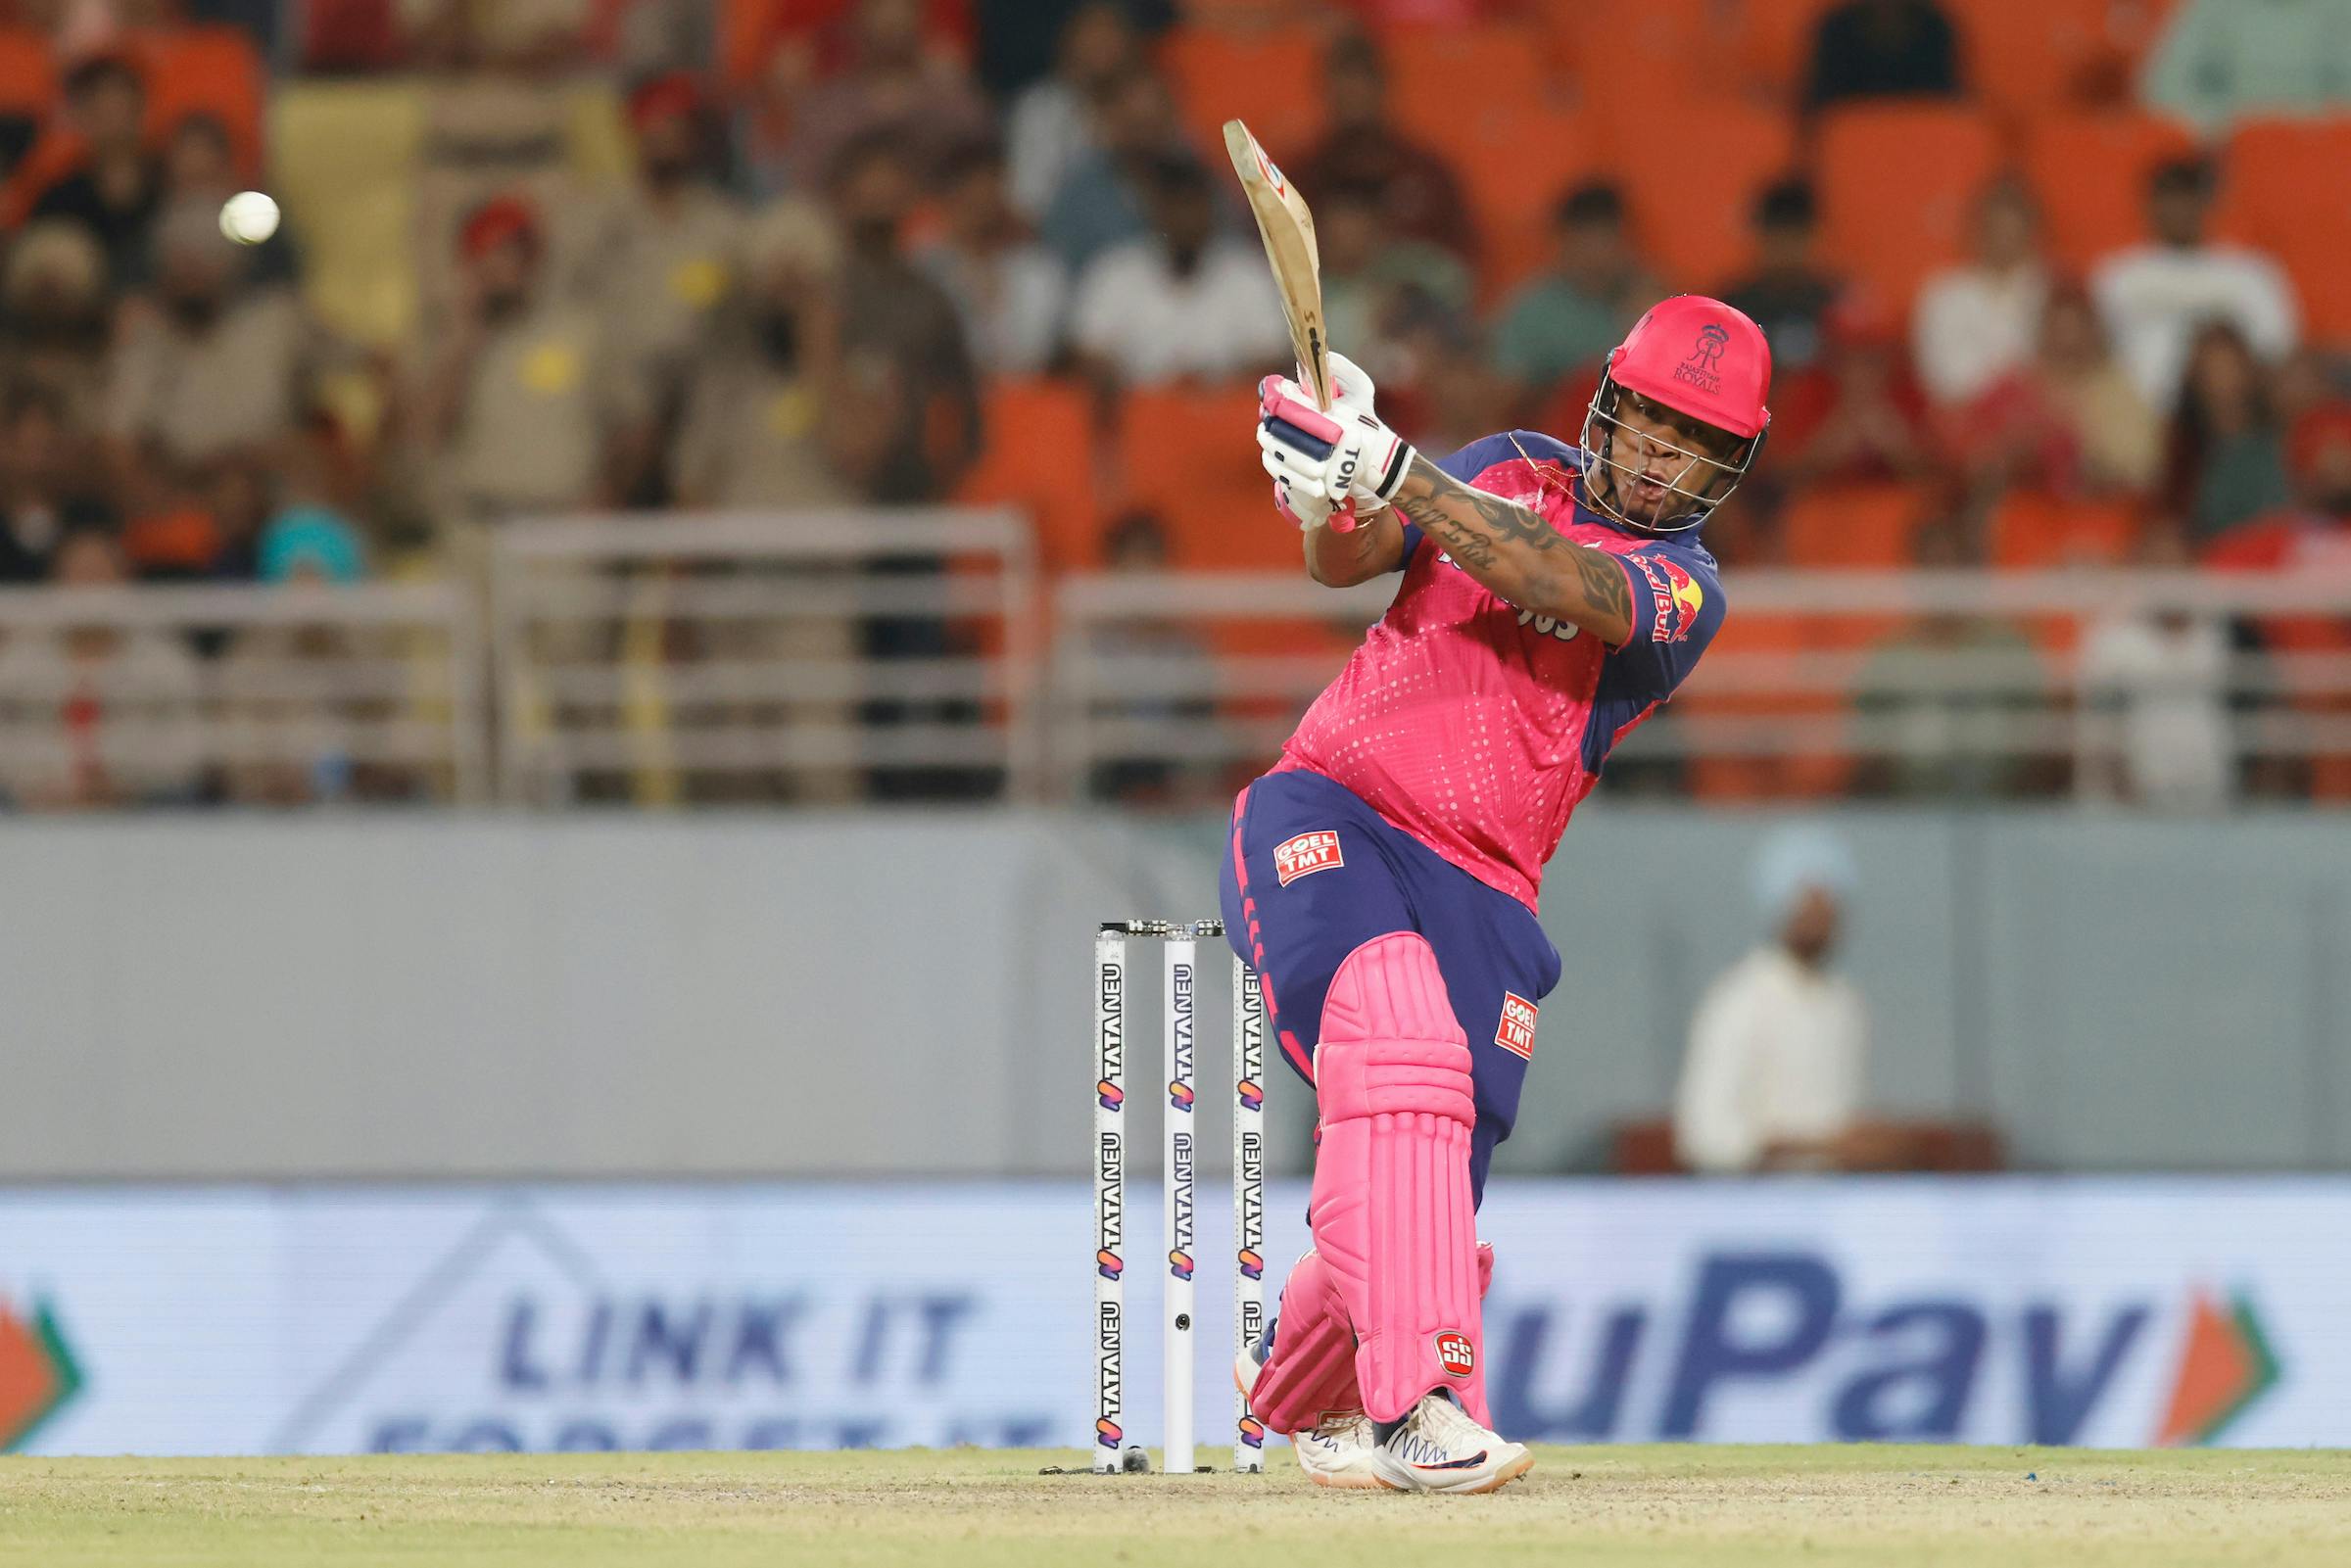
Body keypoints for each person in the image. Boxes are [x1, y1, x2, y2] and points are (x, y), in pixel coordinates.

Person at [1232, 297, 1772, 1490]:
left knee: (1422, 1178)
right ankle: (1422, 1404)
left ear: (1727, 469)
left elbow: (1554, 577)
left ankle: (1302, 1383)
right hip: (1336, 807)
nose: (1660, 456)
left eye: (1695, 444)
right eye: (1650, 421)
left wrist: (1393, 467)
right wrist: (1330, 492)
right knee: (1405, 1050)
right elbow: (1349, 561)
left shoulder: (1684, 588)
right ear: (1609, 403)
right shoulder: (1511, 464)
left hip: (1486, 889)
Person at [1675, 827, 1871, 1173]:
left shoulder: (1844, 1003)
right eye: (1811, 903)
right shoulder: (1740, 998)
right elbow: (1706, 1135)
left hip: (1833, 1197)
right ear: (1781, 906)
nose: (1822, 918)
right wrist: (1815, 1146)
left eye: (1831, 905)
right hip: (1753, 1200)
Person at [0, 525, 204, 810]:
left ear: (124, 582)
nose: (89, 589)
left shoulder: (165, 660)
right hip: (33, 806)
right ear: (55, 584)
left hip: (140, 807)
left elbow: (189, 747)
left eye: (100, 574)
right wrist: (42, 784)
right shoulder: (18, 659)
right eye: (78, 575)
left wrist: (125, 784)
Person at [2091, 158, 2299, 413]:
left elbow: (2277, 353)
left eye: (2187, 198)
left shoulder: (2250, 273)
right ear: (2149, 205)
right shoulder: (2117, 276)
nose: (2178, 210)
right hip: (2140, 414)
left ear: (2207, 202)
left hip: (2229, 416)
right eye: (2168, 199)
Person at [1068, 154, 1287, 390]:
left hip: (1222, 408)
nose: (1185, 221)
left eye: (1193, 208)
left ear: (1210, 211)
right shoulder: (1115, 272)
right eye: (1176, 209)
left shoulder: (1249, 274)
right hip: (1140, 404)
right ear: (1156, 212)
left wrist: (1207, 388)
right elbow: (1087, 353)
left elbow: (1272, 360)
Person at [2076, 527, 2235, 813]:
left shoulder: (2219, 632)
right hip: (2131, 808)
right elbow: (2100, 724)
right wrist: (2124, 792)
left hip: (2210, 800)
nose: (2168, 577)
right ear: (2139, 571)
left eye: (2176, 564)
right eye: (2158, 565)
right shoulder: (2111, 638)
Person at [1294, 32, 1476, 261]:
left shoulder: (1427, 173)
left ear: (1382, 88)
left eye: (1362, 85)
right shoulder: (1303, 175)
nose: (1354, 98)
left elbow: (1462, 256)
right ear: (1327, 93)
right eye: (1345, 89)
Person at [1488, 182, 1662, 406]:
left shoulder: (1650, 301)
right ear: (1562, 242)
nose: (1596, 257)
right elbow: (1503, 394)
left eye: (1606, 241)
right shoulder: (1532, 310)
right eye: (1586, 242)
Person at [913, 136, 1069, 377]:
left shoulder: (1037, 271)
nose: (981, 207)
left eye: (989, 191)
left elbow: (1041, 352)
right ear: (946, 200)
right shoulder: (922, 270)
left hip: (1026, 391)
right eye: (970, 197)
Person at [26, 53, 164, 291]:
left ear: (141, 110)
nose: (113, 121)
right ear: (81, 117)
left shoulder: (170, 184)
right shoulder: (60, 196)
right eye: (100, 111)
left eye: (121, 108)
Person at [1911, 177, 2049, 409]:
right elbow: (1939, 374)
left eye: (2012, 230)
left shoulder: (2052, 291)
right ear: (1978, 230)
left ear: (2030, 231)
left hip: (2036, 415)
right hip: (1964, 415)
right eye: (1996, 229)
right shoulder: (1942, 294)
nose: (2004, 240)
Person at [2161, 320, 2290, 545]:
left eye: (2228, 365)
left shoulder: (2275, 450)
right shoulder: (2181, 450)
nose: (2221, 378)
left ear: (2249, 370)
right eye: (2210, 367)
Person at [2140, 0, 2351, 136]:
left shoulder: (2342, 8)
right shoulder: (2207, 6)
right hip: (2221, 154)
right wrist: (2220, 126)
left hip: (2323, 151)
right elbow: (2163, 86)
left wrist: (2312, 126)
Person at [1720, 178, 1842, 376]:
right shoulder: (1732, 306)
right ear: (1760, 235)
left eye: (1795, 237)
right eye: (1778, 237)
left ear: (1813, 237)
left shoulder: (1836, 302)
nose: (1786, 249)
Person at [1802, 0, 1963, 111]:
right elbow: (1822, 102)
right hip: (1852, 138)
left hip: (1924, 138)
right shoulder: (1836, 29)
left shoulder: (1934, 27)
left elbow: (1945, 101)